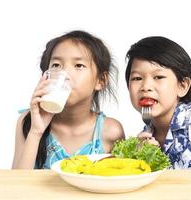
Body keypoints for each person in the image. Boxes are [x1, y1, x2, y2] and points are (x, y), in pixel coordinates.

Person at [12, 30, 125, 169]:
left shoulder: (111, 131)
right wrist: (36, 132)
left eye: (78, 66)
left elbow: (119, 181)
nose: (64, 74)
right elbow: (16, 184)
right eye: (56, 65)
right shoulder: (28, 122)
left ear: (100, 80)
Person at [125, 36, 191, 169]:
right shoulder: (146, 137)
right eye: (137, 78)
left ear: (182, 86)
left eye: (158, 77)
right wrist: (140, 161)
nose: (146, 86)